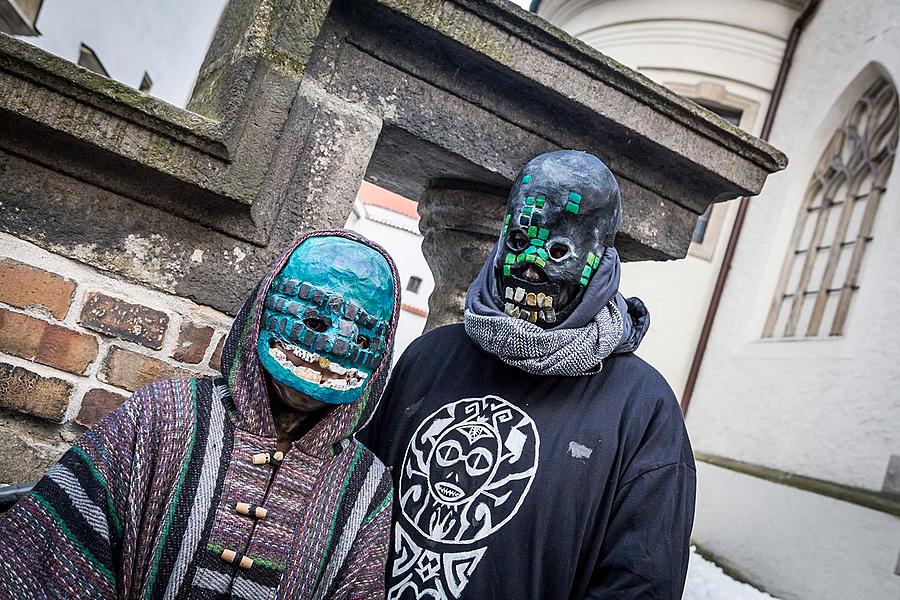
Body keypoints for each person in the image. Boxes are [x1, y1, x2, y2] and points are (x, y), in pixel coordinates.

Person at [361, 150, 696, 600]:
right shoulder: (429, 357)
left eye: (559, 251)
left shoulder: (642, 408)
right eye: (519, 241)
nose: (531, 265)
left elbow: (641, 584)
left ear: (600, 258)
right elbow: (353, 500)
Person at [0, 230, 400, 599]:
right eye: (314, 321)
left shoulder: (366, 490)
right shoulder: (164, 415)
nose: (331, 347)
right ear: (264, 309)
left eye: (360, 338)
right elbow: (52, 549)